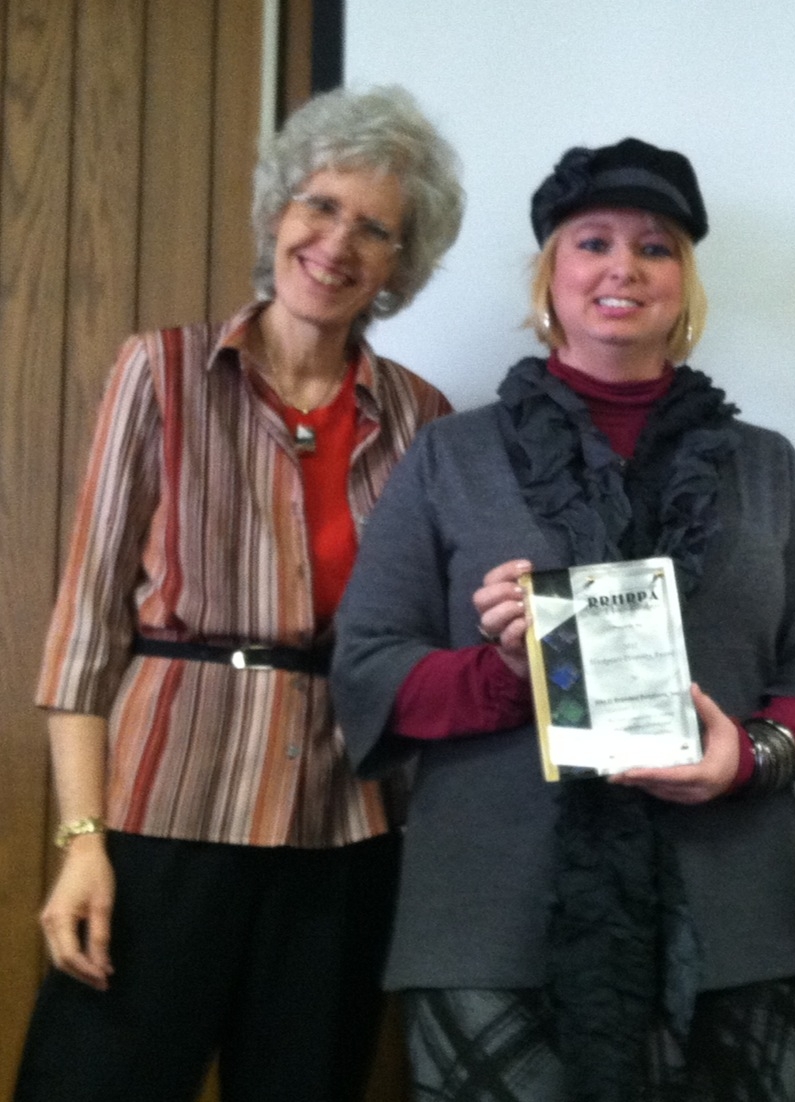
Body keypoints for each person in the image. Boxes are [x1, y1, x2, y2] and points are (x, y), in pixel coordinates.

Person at [331, 136, 795, 1101]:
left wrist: (749, 755)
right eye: (592, 243)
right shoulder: (451, 457)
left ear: (685, 282)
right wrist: (509, 669)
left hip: (732, 915)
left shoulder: (766, 465)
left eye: (656, 246)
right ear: (552, 274)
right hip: (494, 919)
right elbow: (369, 669)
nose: (622, 267)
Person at [16, 86, 464, 1101]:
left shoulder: (423, 420)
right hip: (163, 812)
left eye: (375, 227)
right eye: (319, 206)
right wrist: (82, 842)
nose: (337, 242)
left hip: (343, 829)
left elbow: (429, 645)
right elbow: (84, 632)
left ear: (402, 264)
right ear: (276, 214)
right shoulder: (159, 372)